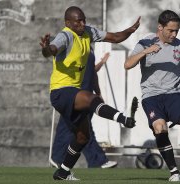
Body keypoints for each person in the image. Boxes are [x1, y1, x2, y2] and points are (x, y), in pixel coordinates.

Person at [40, 6, 140, 180]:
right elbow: (52, 50)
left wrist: (130, 30)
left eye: (83, 19)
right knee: (90, 97)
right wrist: (46, 48)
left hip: (74, 92)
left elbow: (115, 37)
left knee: (82, 137)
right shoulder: (65, 35)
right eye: (78, 21)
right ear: (68, 23)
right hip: (60, 92)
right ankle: (123, 119)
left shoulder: (88, 32)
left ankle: (63, 172)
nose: (82, 23)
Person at [124, 10, 180, 182]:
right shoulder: (145, 43)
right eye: (170, 30)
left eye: (177, 31)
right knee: (160, 128)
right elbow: (127, 64)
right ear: (160, 27)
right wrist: (146, 51)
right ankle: (174, 171)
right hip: (151, 97)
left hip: (176, 94)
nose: (174, 34)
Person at [50, 52, 118, 169]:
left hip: (86, 96)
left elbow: (92, 73)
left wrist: (98, 92)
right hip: (75, 95)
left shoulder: (88, 50)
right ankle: (97, 160)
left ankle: (58, 158)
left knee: (80, 130)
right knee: (76, 129)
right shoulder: (72, 46)